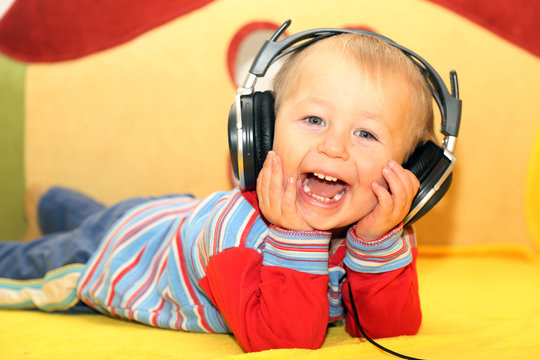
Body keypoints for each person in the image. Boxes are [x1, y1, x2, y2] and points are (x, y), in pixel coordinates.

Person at [0, 31, 434, 352]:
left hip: (170, 215)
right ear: (260, 133)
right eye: (314, 120)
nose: (334, 147)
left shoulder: (385, 237)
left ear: (413, 170)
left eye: (366, 134)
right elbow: (284, 341)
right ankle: (53, 204)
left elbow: (388, 332)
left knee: (102, 215)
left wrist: (376, 245)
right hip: (117, 253)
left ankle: (49, 198)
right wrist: (295, 237)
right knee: (42, 257)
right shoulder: (234, 236)